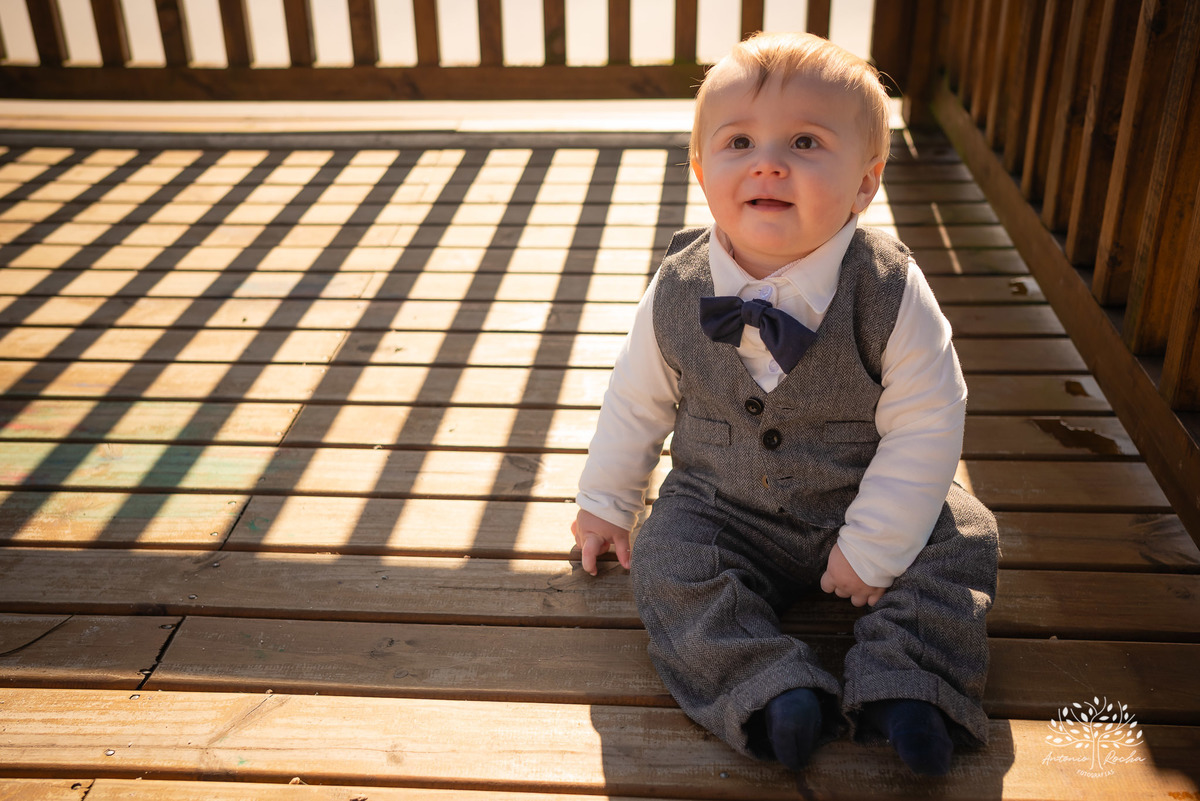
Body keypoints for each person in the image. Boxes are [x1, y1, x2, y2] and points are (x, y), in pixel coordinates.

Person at [570, 31, 999, 776]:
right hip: (724, 504)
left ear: (865, 183)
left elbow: (927, 420)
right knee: (669, 559)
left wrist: (876, 544)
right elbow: (635, 399)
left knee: (962, 536)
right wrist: (607, 500)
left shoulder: (890, 289)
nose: (768, 163)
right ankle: (768, 686)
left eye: (805, 142)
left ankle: (910, 682)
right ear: (702, 173)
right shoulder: (677, 287)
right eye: (739, 142)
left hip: (864, 492)